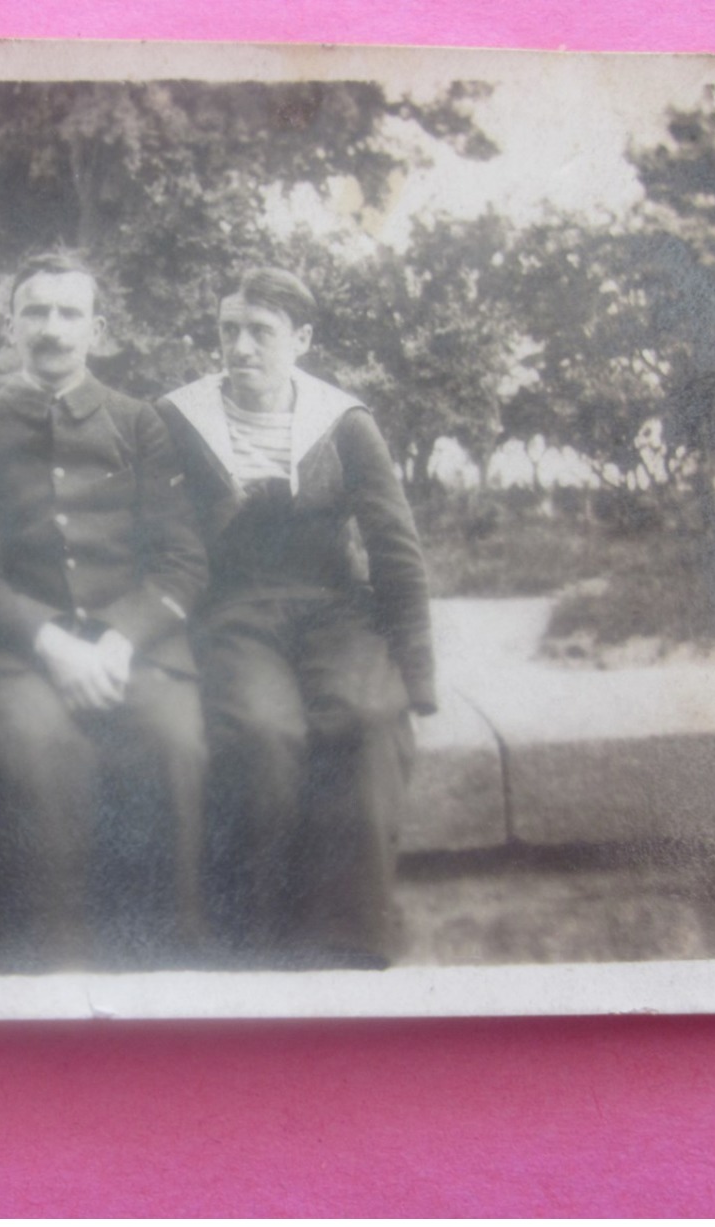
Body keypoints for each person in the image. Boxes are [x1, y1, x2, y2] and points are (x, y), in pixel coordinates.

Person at [0, 253, 209, 969]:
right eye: (35, 312)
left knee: (177, 746)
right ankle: (52, 976)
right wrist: (51, 644)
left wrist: (119, 639)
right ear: (10, 325)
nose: (52, 329)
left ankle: (167, 972)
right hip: (23, 652)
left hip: (135, 650)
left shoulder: (138, 422)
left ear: (98, 329)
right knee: (36, 752)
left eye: (69, 313)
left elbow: (181, 559)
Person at [157, 267, 436, 968]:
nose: (240, 346)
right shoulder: (178, 419)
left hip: (334, 608)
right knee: (261, 731)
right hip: (231, 610)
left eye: (261, 332)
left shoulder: (341, 422)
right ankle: (256, 938)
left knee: (367, 718)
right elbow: (158, 538)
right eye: (228, 330)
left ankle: (350, 940)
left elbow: (393, 546)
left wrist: (417, 671)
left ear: (301, 339)